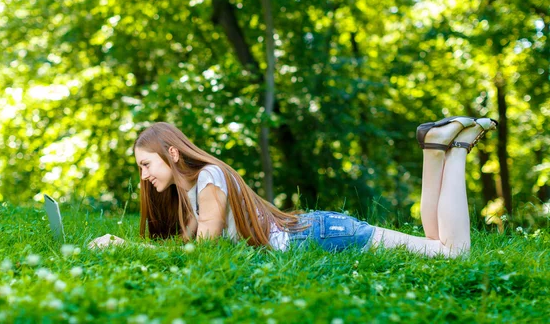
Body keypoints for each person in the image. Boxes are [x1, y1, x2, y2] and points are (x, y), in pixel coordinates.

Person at [89, 117, 497, 258]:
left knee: (454, 255)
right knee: (435, 242)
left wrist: (129, 249)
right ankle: (435, 148)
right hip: (316, 231)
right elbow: (187, 247)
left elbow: (204, 254)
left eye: (146, 164)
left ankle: (455, 149)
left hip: (322, 236)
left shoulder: (209, 180)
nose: (143, 176)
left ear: (173, 154)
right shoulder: (195, 193)